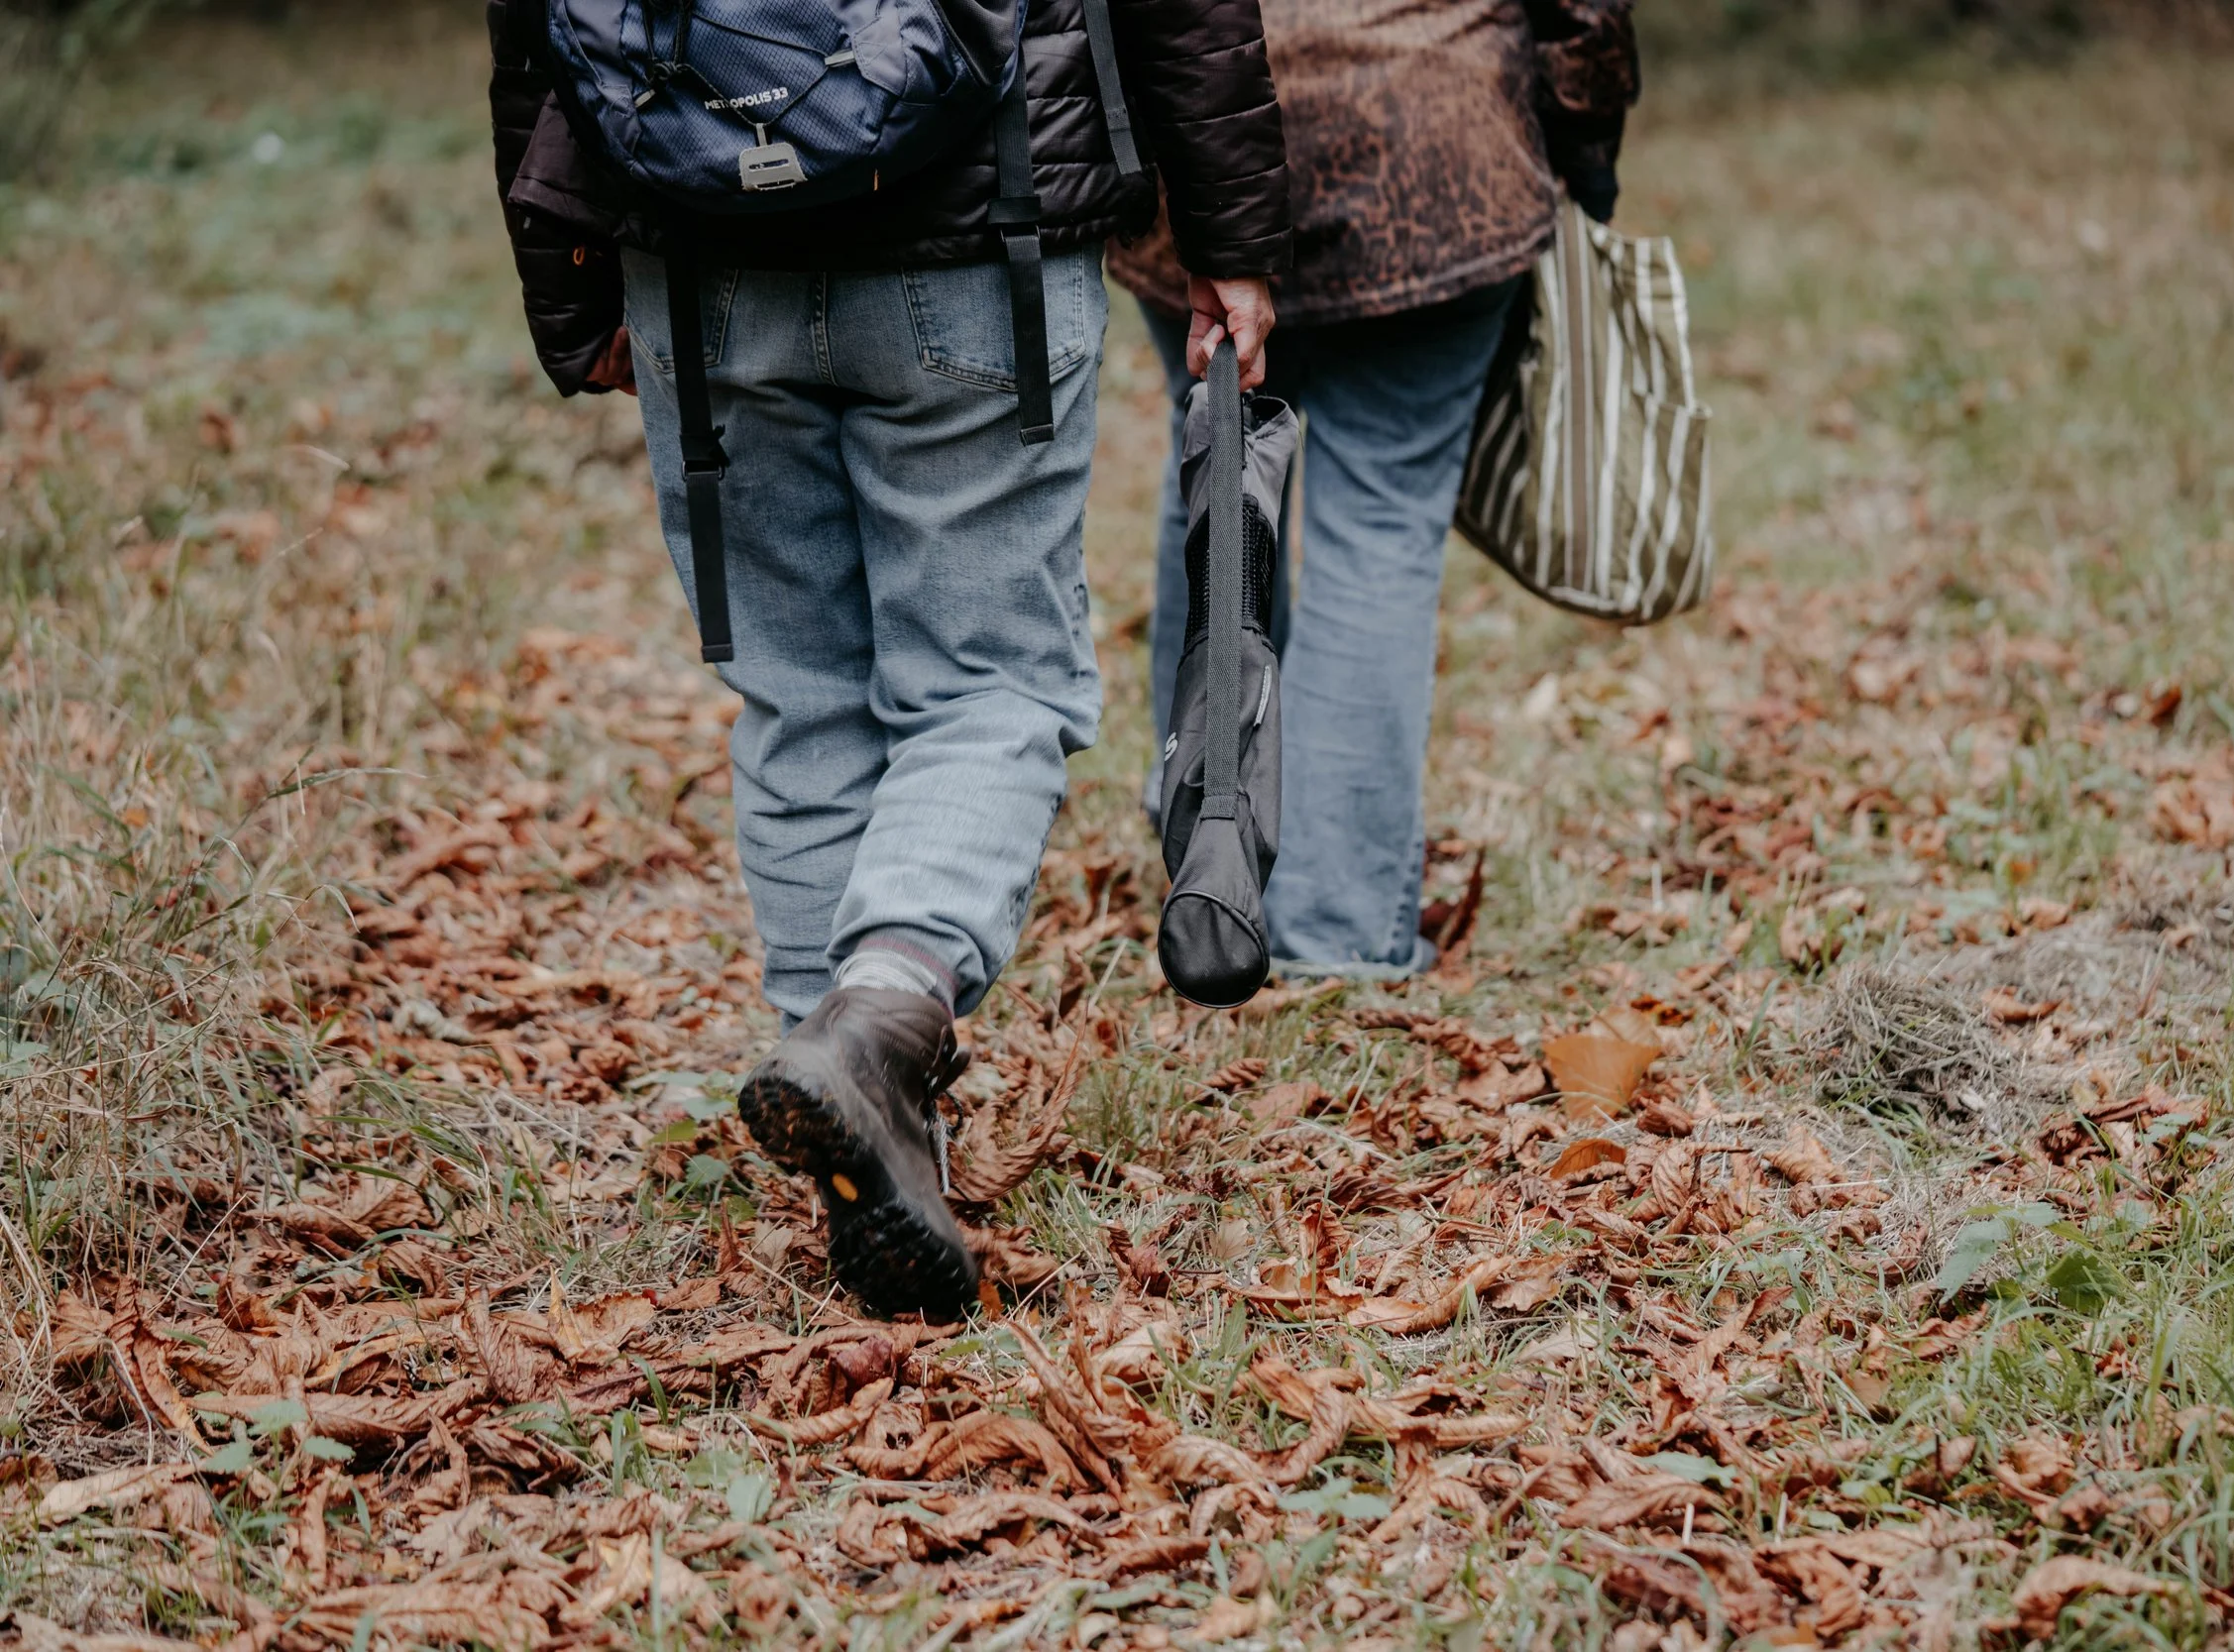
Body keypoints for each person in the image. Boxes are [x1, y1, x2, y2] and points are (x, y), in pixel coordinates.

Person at [487, 0, 1288, 1318]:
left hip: (696, 238)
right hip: (977, 232)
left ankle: (852, 1116)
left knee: (799, 705)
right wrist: (1234, 234)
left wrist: (564, 276)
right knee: (991, 686)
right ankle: (881, 1012)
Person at [1112, 0, 1638, 978]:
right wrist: (1582, 136)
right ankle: (1337, 927)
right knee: (1379, 534)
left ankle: (1205, 853)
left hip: (1188, 145)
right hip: (1428, 144)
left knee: (1219, 470)